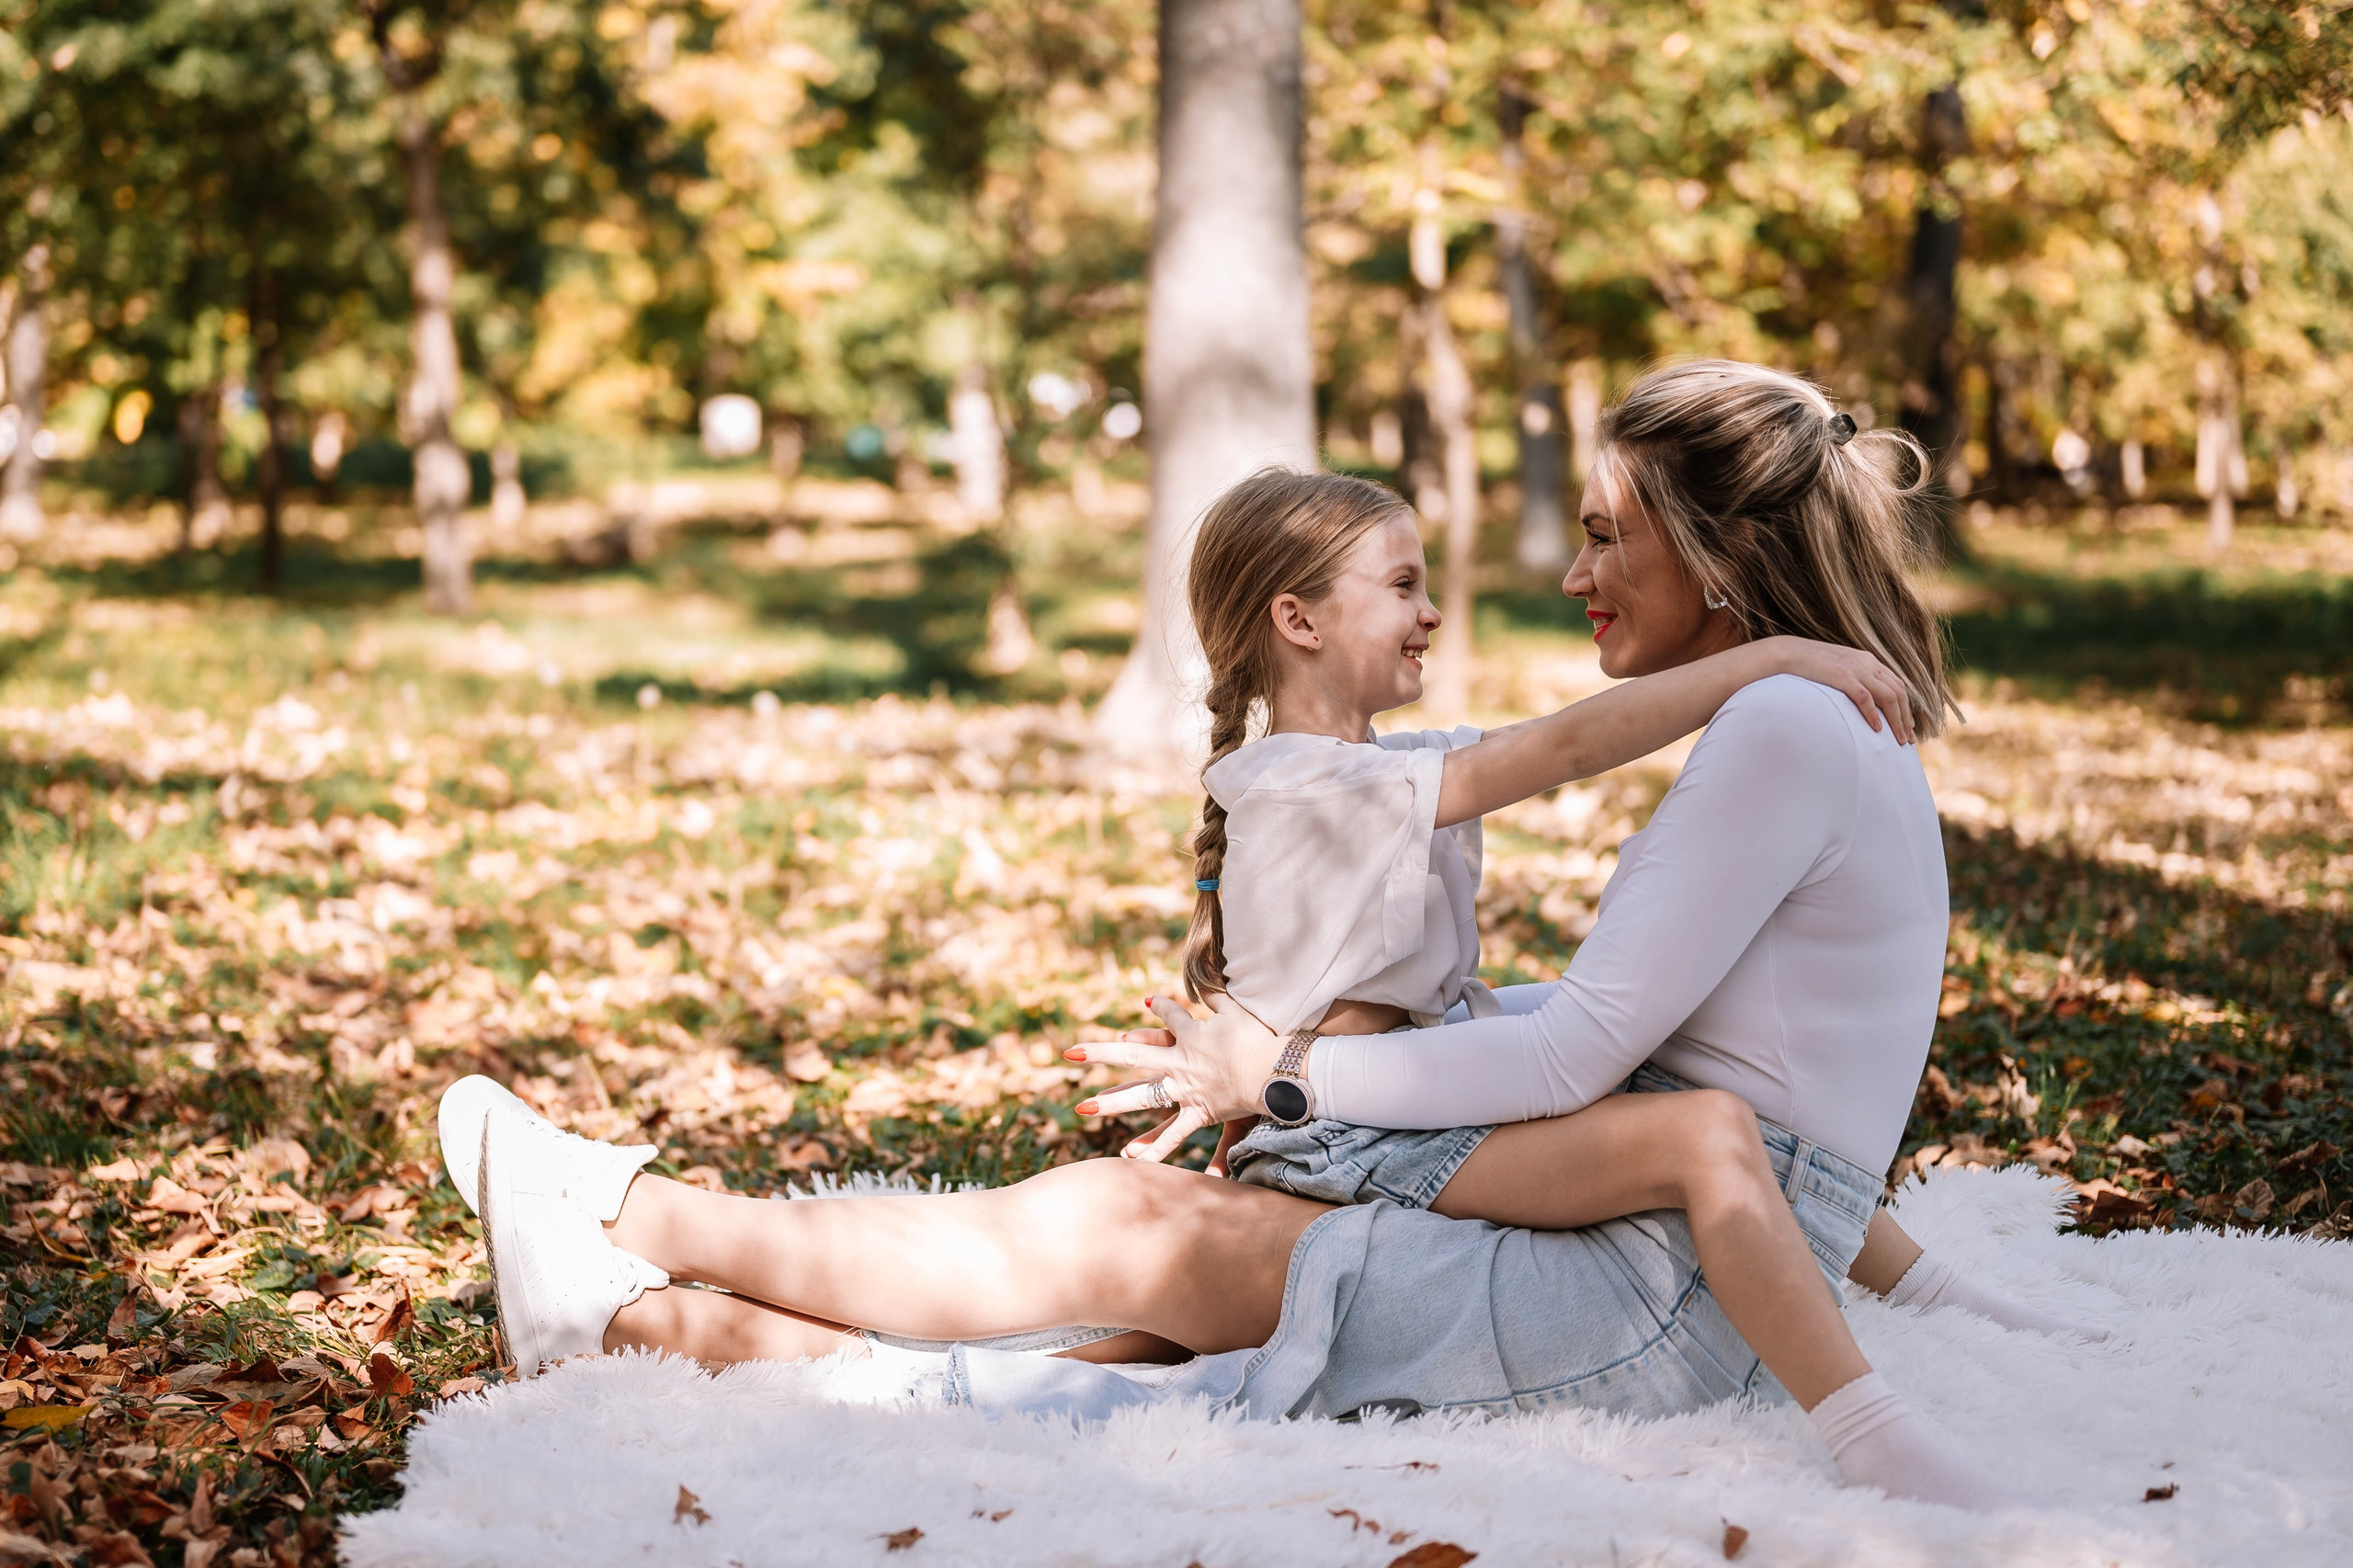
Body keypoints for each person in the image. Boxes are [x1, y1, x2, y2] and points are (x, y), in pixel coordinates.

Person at [444, 360, 2090, 1516]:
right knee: (1124, 1299)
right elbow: (1741, 1083)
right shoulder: (1795, 719)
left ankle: (633, 1241)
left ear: (1719, 555)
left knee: (1125, 1272)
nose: (1575, 567)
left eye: (1607, 531)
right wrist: (1947, 1289)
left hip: (1656, 1294)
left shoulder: (1786, 721)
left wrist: (1283, 1078)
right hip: (1658, 1255)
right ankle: (632, 1290)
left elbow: (1625, 1060)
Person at [1048, 463, 2007, 1505]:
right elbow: (1565, 745)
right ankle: (1872, 1437)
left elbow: (1534, 770)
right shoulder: (1316, 781)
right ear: (1298, 620)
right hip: (1342, 1130)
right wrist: (1770, 659)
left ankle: (1933, 1295)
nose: (1433, 611)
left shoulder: (1379, 764)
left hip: (1360, 1110)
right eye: (1403, 585)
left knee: (1652, 1080)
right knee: (1697, 1130)